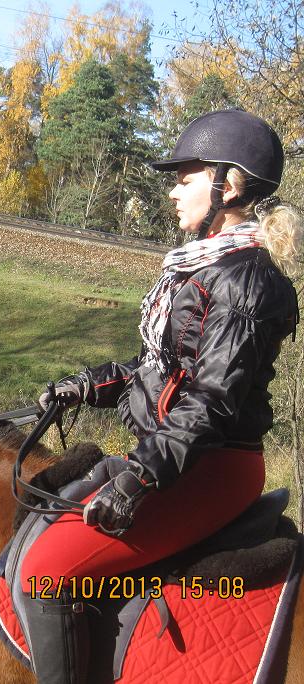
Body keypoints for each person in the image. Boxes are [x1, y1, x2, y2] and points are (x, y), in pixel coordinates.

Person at [18, 109, 302, 684]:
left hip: (210, 468)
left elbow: (212, 399)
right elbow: (162, 370)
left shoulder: (245, 279)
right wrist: (87, 386)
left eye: (185, 178)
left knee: (45, 573)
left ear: (229, 185)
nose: (173, 191)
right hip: (176, 457)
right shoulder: (202, 266)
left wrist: (138, 479)